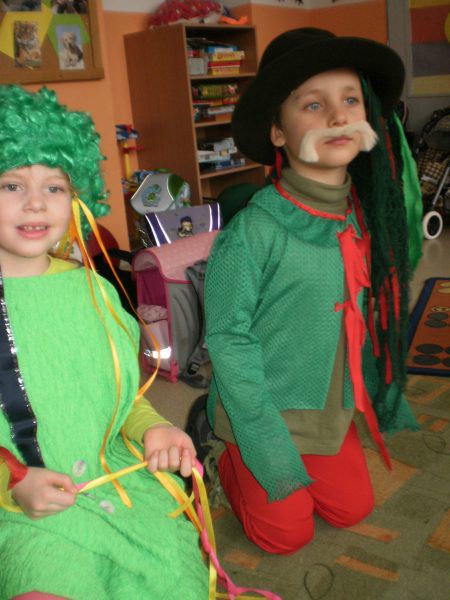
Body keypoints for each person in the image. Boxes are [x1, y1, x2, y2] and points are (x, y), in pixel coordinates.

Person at [203, 28, 422, 555]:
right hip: (260, 410)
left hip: (327, 408)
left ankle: (308, 454)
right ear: (278, 132)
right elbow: (228, 340)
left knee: (353, 510)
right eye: (314, 105)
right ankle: (224, 458)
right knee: (286, 536)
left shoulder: (364, 216)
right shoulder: (253, 232)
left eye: (350, 100)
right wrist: (260, 437)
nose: (338, 117)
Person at [0, 85, 208, 599]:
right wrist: (12, 481)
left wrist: (154, 428)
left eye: (54, 186)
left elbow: (119, 398)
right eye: (11, 184)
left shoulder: (95, 293)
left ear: (77, 199)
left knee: (172, 579)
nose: (35, 202)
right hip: (22, 510)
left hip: (114, 480)